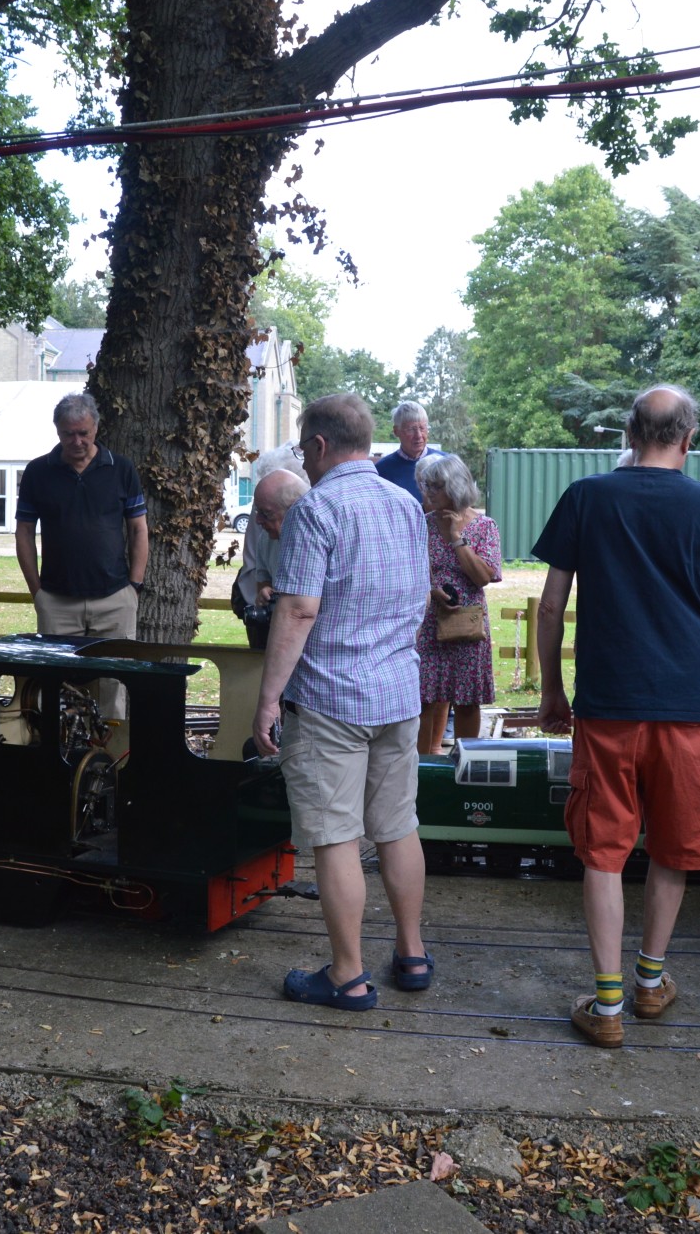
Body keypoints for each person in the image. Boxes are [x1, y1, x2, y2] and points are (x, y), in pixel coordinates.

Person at [532, 386, 700, 1048]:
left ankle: (605, 1011)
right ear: (688, 440)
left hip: (608, 706)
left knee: (604, 853)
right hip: (689, 708)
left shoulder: (587, 497)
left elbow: (551, 606)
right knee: (675, 845)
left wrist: (552, 689)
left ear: (631, 432)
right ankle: (650, 984)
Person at [253, 393, 432, 1010]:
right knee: (397, 826)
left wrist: (268, 700)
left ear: (321, 446)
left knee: (334, 837)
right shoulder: (407, 504)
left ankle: (348, 976)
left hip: (331, 698)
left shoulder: (316, 510)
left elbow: (299, 608)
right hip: (398, 692)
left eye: (304, 448)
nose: (304, 459)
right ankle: (411, 955)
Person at [15, 393, 148, 717]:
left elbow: (138, 530)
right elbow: (23, 533)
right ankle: (56, 756)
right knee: (53, 687)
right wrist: (38, 592)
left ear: (96, 428)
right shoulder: (37, 471)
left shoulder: (122, 469)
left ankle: (108, 761)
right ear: (57, 431)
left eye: (83, 433)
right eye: (67, 433)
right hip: (57, 600)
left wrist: (134, 586)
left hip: (115, 598)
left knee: (112, 686)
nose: (76, 441)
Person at [414, 452, 502, 755]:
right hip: (430, 622)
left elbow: (483, 577)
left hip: (469, 625)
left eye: (436, 486)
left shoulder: (484, 526)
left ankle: (467, 765)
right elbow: (409, 569)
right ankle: (422, 769)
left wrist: (455, 538)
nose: (429, 492)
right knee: (423, 698)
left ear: (455, 487)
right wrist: (431, 589)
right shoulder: (420, 523)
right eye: (427, 486)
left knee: (467, 700)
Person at [232, 444, 308, 650]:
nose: (257, 522)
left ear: (294, 508)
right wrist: (264, 592)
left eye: (265, 513)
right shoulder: (266, 539)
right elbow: (260, 577)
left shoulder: (314, 541)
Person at [374, 400, 441, 503]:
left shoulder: (444, 463)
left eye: (422, 428)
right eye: (411, 429)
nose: (418, 436)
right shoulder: (382, 470)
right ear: (396, 431)